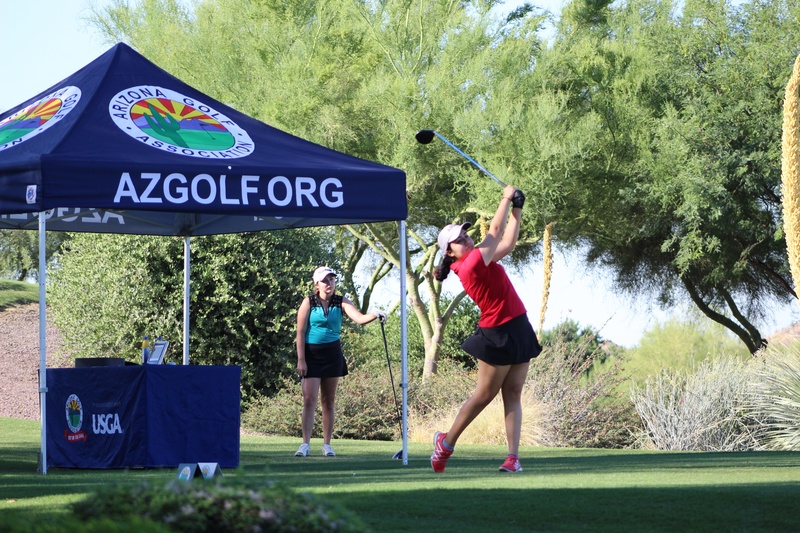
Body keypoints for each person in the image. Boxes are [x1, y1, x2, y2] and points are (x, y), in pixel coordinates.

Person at [431, 184, 542, 473]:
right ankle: (446, 443)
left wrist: (517, 209)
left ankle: (513, 458)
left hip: (518, 326)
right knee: (484, 395)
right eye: (459, 241)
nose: (466, 240)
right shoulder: (469, 265)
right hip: (497, 333)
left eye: (466, 235)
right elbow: (494, 231)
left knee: (513, 393)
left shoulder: (480, 256)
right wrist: (505, 198)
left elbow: (507, 243)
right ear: (449, 253)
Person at [295, 266, 387, 457]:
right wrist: (301, 360)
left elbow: (359, 318)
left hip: (332, 354)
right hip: (312, 355)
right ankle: (305, 444)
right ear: (317, 284)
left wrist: (374, 314)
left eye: (332, 279)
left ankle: (327, 445)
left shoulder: (341, 301)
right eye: (325, 280)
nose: (329, 283)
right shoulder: (308, 302)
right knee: (309, 399)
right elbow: (300, 333)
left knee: (328, 401)